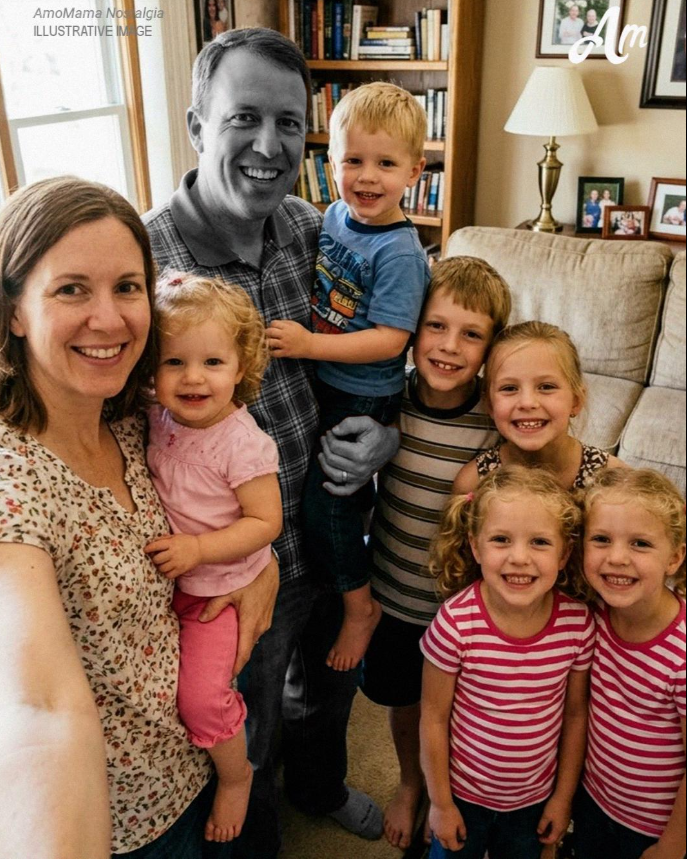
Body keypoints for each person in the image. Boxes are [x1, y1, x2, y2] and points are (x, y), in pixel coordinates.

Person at [142, 28, 399, 858]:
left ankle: (319, 787)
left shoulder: (316, 229)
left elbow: (377, 355)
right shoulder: (146, 264)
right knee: (240, 725)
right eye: (243, 117)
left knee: (330, 685)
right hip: (231, 562)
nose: (269, 144)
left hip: (330, 522)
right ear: (196, 125)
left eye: (289, 123)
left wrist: (384, 433)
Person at [0, 176, 277, 858]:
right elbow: (39, 705)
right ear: (14, 311)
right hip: (126, 818)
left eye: (127, 287)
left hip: (196, 759)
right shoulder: (12, 482)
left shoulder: (137, 415)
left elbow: (234, 502)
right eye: (71, 289)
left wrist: (260, 569)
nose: (109, 319)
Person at [267, 82, 431, 672]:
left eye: (385, 164)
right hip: (326, 381)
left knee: (330, 504)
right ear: (329, 160)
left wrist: (310, 343)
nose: (367, 177)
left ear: (414, 171)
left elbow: (391, 339)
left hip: (364, 393)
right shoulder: (334, 216)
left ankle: (361, 607)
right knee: (336, 495)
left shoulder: (400, 252)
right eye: (353, 160)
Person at [360, 255, 512, 850]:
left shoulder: (497, 421)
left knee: (454, 710)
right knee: (404, 703)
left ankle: (446, 789)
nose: (449, 346)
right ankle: (409, 782)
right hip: (392, 594)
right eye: (436, 326)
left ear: (491, 349)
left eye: (472, 334)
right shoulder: (387, 398)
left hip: (464, 610)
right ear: (412, 326)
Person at [144, 273, 283, 843]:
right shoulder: (155, 417)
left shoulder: (242, 442)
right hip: (170, 587)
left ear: (240, 366)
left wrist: (199, 549)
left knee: (202, 701)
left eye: (213, 362)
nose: (193, 377)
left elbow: (266, 522)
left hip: (220, 592)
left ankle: (236, 776)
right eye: (174, 362)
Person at [420, 465, 594, 858]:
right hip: (461, 795)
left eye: (539, 542)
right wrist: (440, 803)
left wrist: (562, 799)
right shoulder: (455, 623)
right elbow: (432, 718)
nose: (519, 558)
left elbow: (575, 715)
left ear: (565, 553)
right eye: (501, 539)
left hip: (535, 801)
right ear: (475, 546)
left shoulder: (577, 625)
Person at [574, 468, 686, 859]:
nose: (617, 558)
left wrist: (673, 845)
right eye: (601, 539)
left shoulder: (682, 654)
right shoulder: (591, 615)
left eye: (640, 543)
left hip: (654, 830)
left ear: (674, 557)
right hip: (592, 802)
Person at [455, 320, 624, 495]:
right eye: (509, 388)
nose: (527, 403)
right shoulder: (473, 484)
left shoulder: (613, 480)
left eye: (546, 387)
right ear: (490, 405)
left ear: (576, 401)